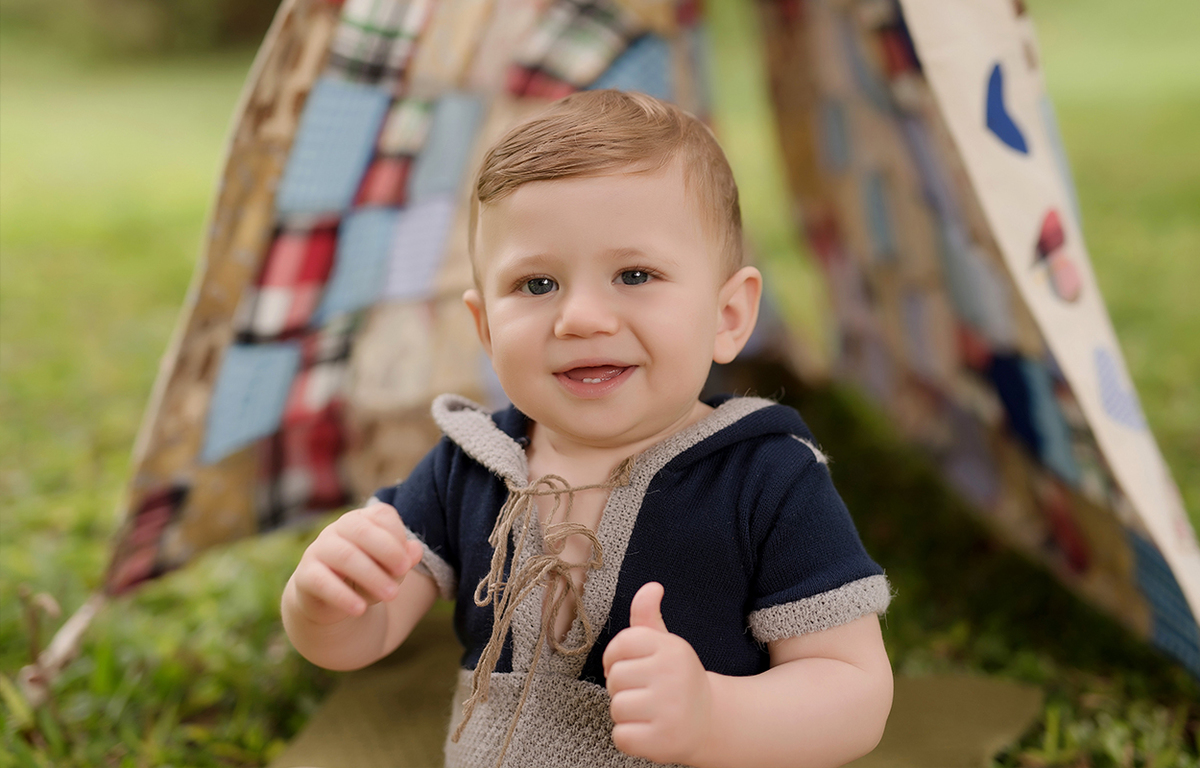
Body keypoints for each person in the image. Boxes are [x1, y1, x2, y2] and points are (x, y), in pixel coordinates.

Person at [282, 89, 893, 768]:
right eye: (537, 285)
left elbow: (854, 691)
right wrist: (322, 604)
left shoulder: (767, 478)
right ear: (486, 329)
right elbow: (364, 638)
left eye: (634, 274)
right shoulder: (473, 463)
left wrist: (714, 715)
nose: (582, 319)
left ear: (727, 316)